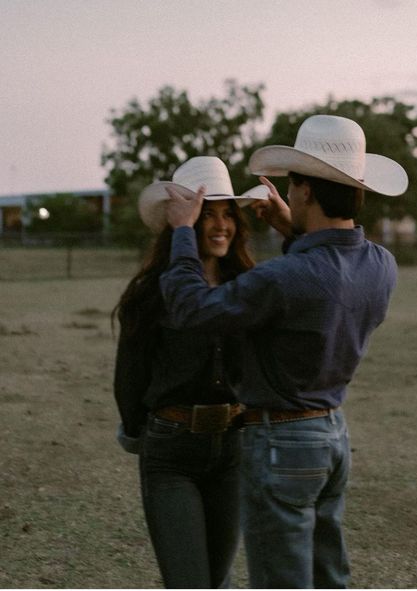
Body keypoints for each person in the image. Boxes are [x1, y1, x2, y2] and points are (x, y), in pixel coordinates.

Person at [159, 115, 409, 588]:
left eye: (293, 186)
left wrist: (183, 233)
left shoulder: (286, 277)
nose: (288, 195)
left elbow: (193, 308)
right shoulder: (382, 265)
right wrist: (295, 232)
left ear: (306, 191)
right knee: (326, 575)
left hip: (282, 441)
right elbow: (327, 272)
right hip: (333, 434)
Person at [112, 156, 266, 589]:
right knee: (188, 582)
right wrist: (141, 431)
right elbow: (130, 377)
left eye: (227, 215)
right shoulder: (150, 294)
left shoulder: (249, 286)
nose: (220, 226)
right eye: (206, 215)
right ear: (183, 221)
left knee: (216, 581)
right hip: (171, 453)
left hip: (233, 450)